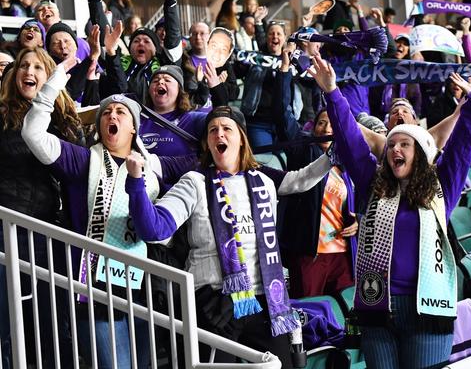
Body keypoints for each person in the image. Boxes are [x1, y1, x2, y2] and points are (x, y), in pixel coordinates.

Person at [309, 52, 471, 369]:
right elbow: (348, 138)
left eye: (404, 144)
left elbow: (463, 143)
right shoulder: (371, 182)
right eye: (391, 145)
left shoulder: (443, 186)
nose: (395, 149)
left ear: (422, 154)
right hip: (377, 310)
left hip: (428, 313)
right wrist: (332, 92)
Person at [124, 105, 334, 367]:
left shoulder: (264, 182)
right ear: (207, 143)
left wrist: (334, 155)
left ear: (242, 138)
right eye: (212, 130)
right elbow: (154, 230)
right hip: (214, 302)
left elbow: (299, 182)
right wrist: (135, 182)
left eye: (226, 129)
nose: (218, 134)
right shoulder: (194, 182)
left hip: (265, 301)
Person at [22, 60, 197, 368]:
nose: (111, 116)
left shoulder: (153, 166)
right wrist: (56, 79)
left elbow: (204, 159)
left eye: (120, 112)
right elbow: (34, 134)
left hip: (145, 284)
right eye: (106, 113)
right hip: (95, 286)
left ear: (134, 127)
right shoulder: (82, 159)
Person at [0, 47, 82, 368]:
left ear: (50, 77)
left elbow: (76, 167)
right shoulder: (2, 113)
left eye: (37, 66)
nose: (28, 71)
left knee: (50, 316)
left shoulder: (63, 120)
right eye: (23, 65)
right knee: (10, 315)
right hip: (8, 229)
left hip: (49, 231)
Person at [273, 46, 358, 298]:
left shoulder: (349, 164)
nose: (325, 127)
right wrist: (284, 70)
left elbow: (362, 200)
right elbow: (283, 115)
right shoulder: (303, 151)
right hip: (309, 255)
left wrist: (359, 219)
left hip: (343, 254)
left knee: (346, 317)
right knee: (310, 316)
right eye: (321, 122)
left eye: (331, 123)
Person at [139, 64, 207, 156]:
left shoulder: (193, 119)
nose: (160, 82)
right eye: (155, 80)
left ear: (179, 90)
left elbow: (222, 120)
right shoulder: (137, 119)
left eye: (167, 80)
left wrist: (216, 88)